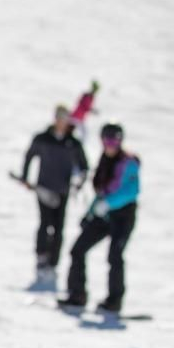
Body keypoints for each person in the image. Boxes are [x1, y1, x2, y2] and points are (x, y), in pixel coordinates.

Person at [62, 122, 141, 315]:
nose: (110, 145)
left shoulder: (128, 162)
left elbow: (132, 190)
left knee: (115, 256)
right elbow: (100, 192)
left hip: (123, 216)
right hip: (103, 215)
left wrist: (108, 204)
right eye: (106, 140)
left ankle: (114, 301)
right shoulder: (104, 160)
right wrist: (89, 214)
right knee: (77, 250)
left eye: (114, 140)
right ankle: (77, 295)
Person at [19, 105, 89, 285]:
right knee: (44, 223)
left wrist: (78, 183)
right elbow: (29, 156)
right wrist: (25, 177)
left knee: (58, 228)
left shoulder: (73, 143)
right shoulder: (43, 139)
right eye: (59, 117)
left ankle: (53, 262)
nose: (62, 121)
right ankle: (41, 257)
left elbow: (84, 166)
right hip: (44, 188)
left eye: (65, 117)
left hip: (63, 190)